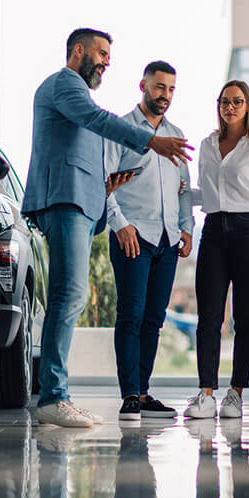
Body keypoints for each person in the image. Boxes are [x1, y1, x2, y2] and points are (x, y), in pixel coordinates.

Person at [22, 28, 192, 429]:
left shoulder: (77, 95)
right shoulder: (65, 84)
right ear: (77, 50)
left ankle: (57, 394)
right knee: (69, 297)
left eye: (108, 57)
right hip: (62, 200)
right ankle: (53, 397)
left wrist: (106, 191)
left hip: (80, 204)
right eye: (100, 53)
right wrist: (151, 142)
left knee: (72, 298)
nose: (105, 62)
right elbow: (97, 120)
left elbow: (92, 164)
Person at [184, 80, 249, 420]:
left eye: (237, 102)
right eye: (225, 102)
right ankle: (206, 393)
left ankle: (236, 393)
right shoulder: (207, 144)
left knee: (244, 317)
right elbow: (208, 193)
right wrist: (180, 194)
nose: (230, 107)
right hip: (212, 230)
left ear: (248, 106)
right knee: (209, 315)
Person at [104, 60, 194, 421]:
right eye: (159, 87)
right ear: (143, 85)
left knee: (154, 319)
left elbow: (183, 189)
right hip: (133, 236)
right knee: (131, 316)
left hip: (168, 239)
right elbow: (103, 181)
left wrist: (186, 227)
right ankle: (129, 395)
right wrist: (120, 225)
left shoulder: (176, 133)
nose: (165, 95)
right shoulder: (121, 130)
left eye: (171, 89)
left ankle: (142, 392)